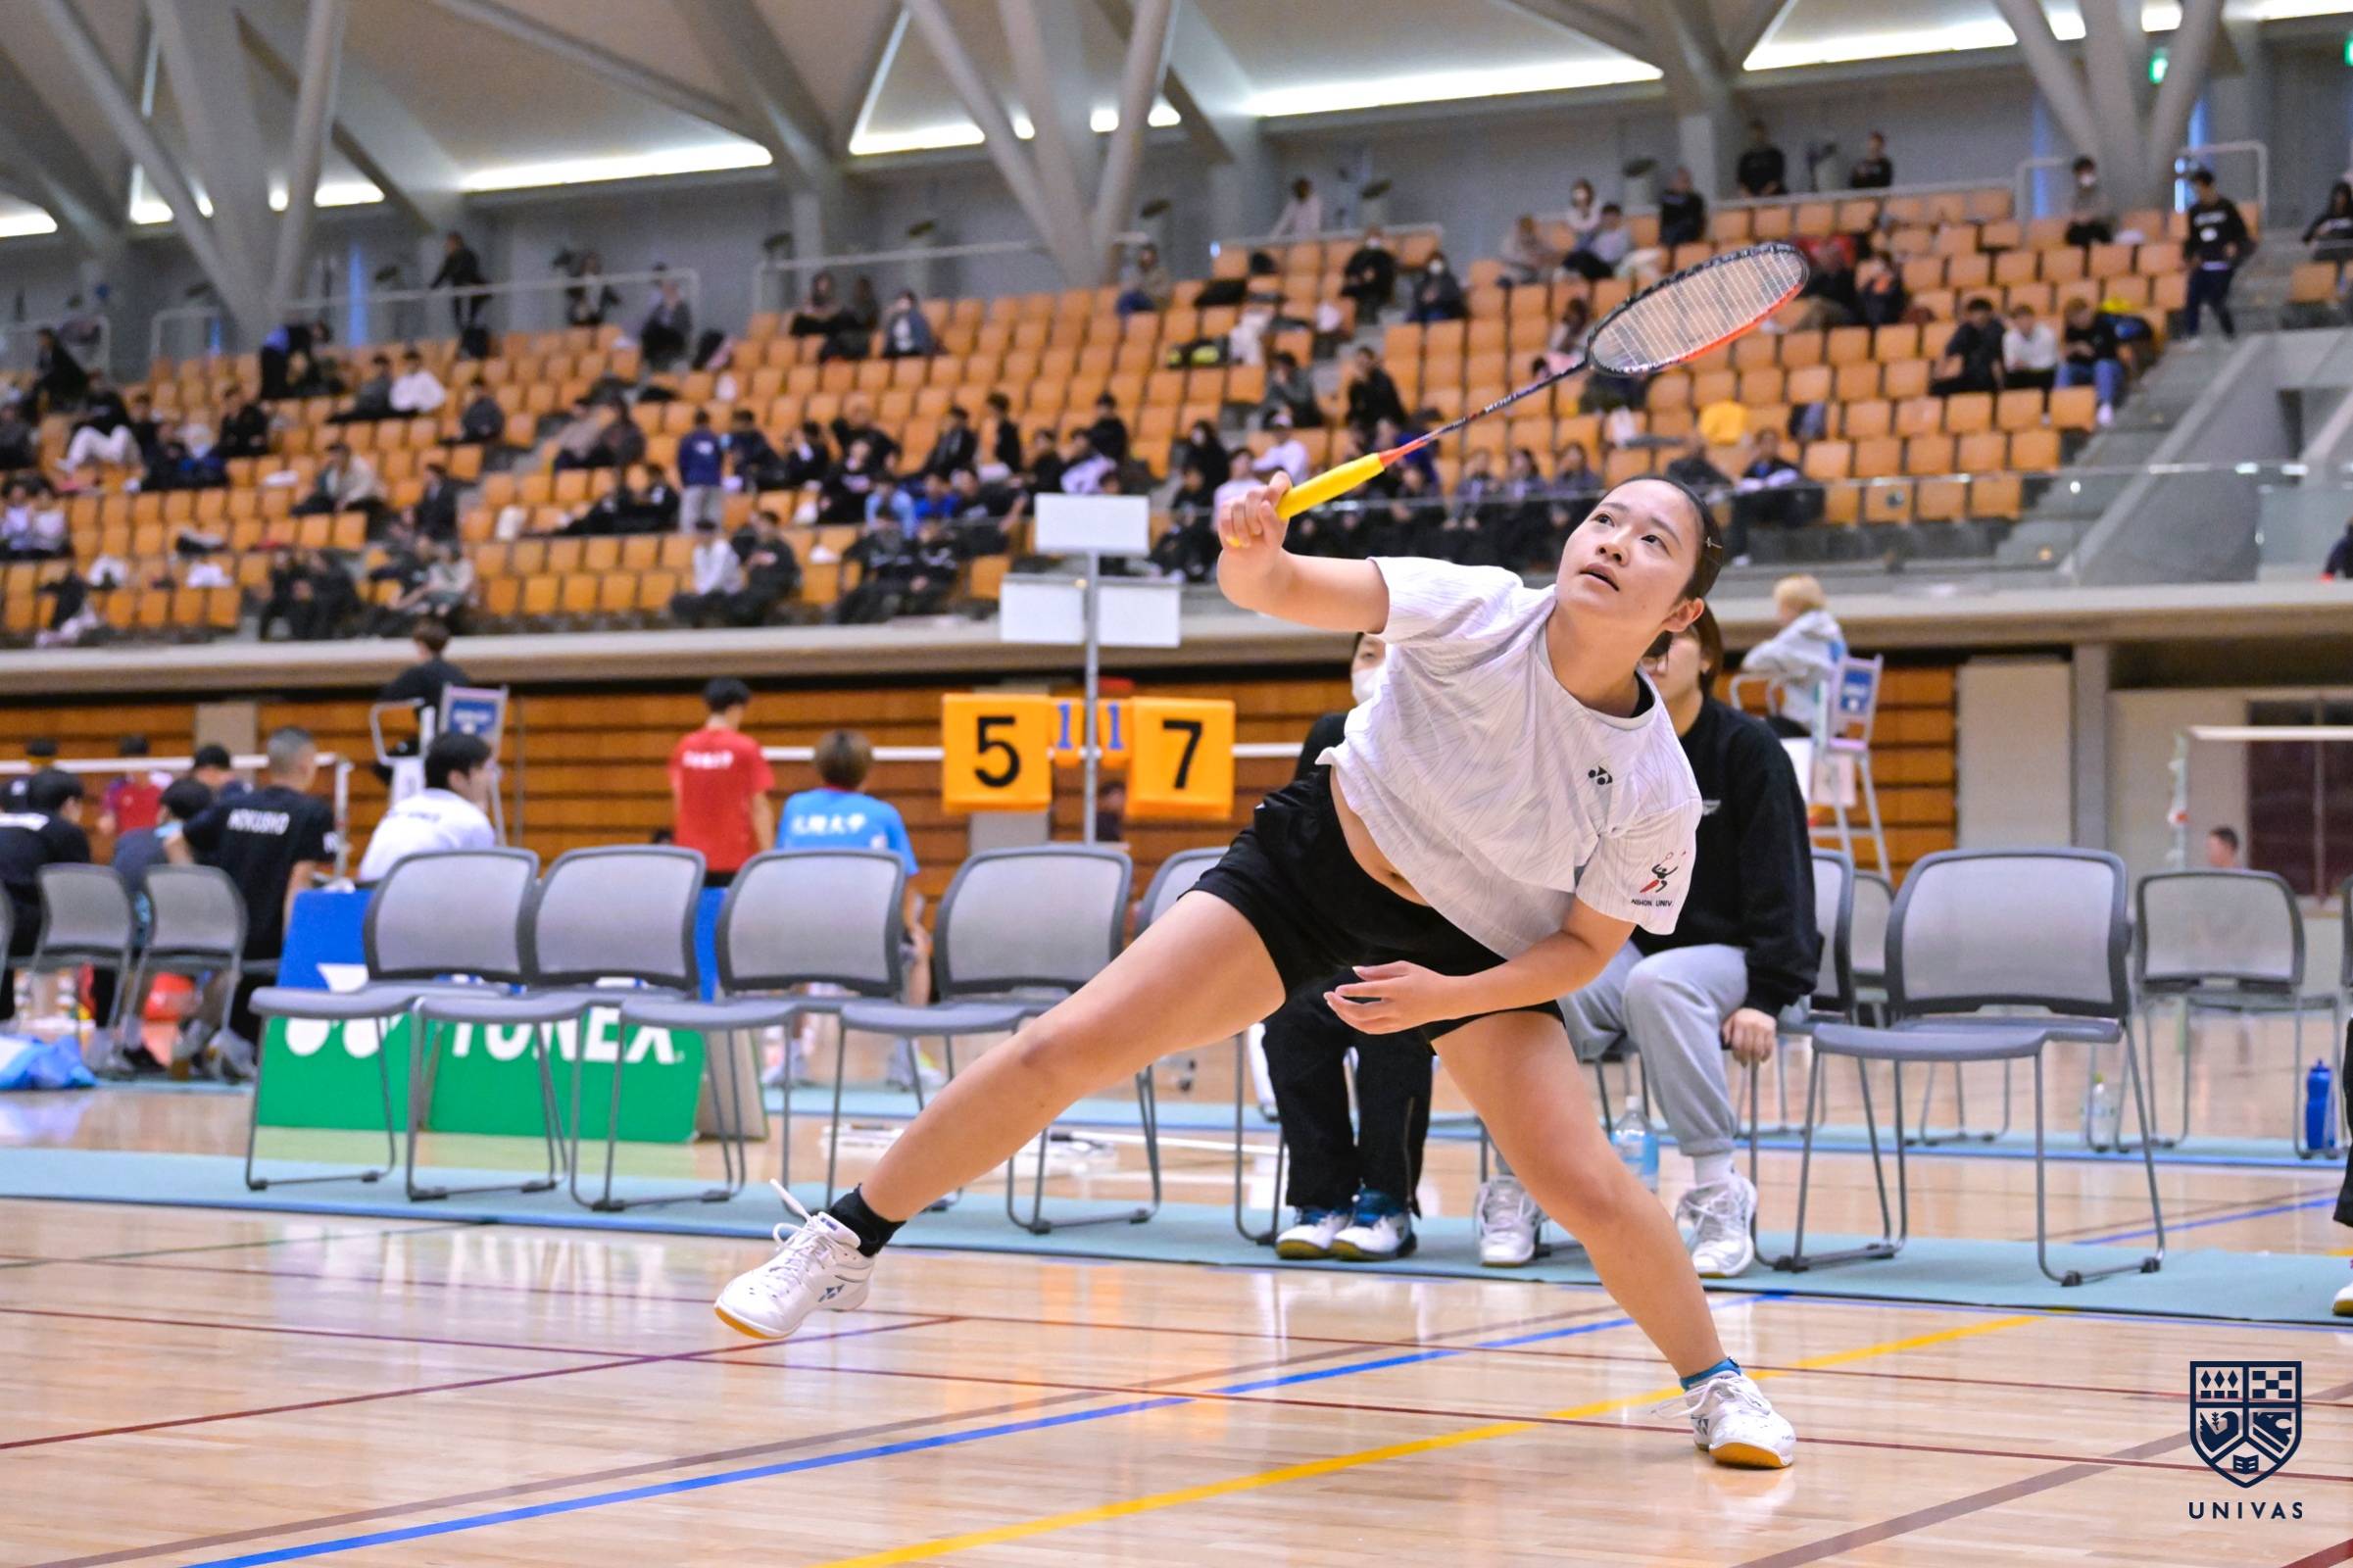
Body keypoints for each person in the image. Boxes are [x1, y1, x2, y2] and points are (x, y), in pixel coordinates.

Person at [712, 467, 1801, 1475]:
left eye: (1652, 541)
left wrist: (1448, 1000)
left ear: (1680, 614)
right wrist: (1250, 545)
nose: (1612, 541)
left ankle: (1716, 1384)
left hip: (1472, 944)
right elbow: (1275, 587)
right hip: (1313, 868)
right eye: (1605, 518)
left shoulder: (1654, 783)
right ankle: (842, 1239)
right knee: (1064, 1045)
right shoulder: (1471, 604)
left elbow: (1585, 949)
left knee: (1582, 1182)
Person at [1482, 610, 1815, 1277]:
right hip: (1624, 951)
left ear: (1708, 657)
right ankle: (1520, 1183)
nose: (1656, 654)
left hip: (1737, 960)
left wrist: (1768, 997)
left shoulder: (1748, 750)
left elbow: (1786, 885)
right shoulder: (1602, 750)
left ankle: (1718, 1191)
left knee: (1658, 985)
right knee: (1531, 984)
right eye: (1644, 641)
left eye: (1674, 640)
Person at [1263, 633, 1440, 1262]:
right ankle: (1322, 1200)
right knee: (1291, 1017)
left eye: (1394, 651)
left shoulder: (1453, 740)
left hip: (1431, 945)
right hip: (1338, 939)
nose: (1378, 664)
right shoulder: (1330, 734)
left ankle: (1388, 1201)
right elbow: (1299, 841)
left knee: (1389, 1019)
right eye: (1366, 653)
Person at [170, 727, 338, 1077]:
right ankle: (232, 1045)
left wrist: (202, 896)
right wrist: (296, 948)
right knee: (257, 970)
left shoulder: (233, 805)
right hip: (267, 935)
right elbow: (299, 884)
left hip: (224, 930)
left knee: (230, 972)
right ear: (306, 764)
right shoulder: (312, 812)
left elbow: (174, 842)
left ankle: (196, 1041)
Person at [0, 769, 91, 1029]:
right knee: (114, 939)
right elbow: (80, 891)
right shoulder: (64, 831)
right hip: (28, 935)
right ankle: (109, 1035)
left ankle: (5, 1028)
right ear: (71, 804)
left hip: (5, 929)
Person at [353, 732, 498, 885]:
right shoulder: (471, 820)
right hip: (410, 898)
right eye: (486, 769)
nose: (490, 778)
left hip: (368, 897)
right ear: (457, 779)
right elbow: (484, 886)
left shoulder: (401, 807)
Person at [670, 678, 774, 889]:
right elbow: (759, 807)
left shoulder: (684, 747)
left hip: (691, 860)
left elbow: (679, 801)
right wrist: (768, 857)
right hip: (734, 858)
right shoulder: (745, 748)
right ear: (736, 709)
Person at [1741, 573, 1844, 738]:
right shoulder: (1832, 631)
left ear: (1793, 607)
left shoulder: (1800, 632)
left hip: (1806, 724)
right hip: (1835, 726)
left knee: (1752, 733)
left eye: (1780, 607)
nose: (1778, 614)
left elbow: (1753, 661)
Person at [2181, 169, 2252, 341]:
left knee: (2216, 299)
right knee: (2192, 294)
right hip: (2204, 263)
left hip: (2222, 264)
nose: (2198, 192)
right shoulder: (2195, 211)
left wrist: (2235, 246)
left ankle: (2229, 333)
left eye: (2200, 188)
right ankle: (2192, 334)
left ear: (2210, 187)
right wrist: (2190, 256)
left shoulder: (2226, 207)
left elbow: (2242, 234)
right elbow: (2192, 238)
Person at [1725, 428, 1813, 562]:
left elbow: (1796, 481)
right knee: (1740, 502)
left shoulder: (1785, 466)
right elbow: (1742, 484)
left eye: (1773, 443)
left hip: (1779, 508)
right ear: (1759, 446)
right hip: (1757, 507)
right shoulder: (1751, 469)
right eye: (1765, 443)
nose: (1770, 446)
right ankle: (1739, 554)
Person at [2057, 298, 2127, 427]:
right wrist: (2075, 347)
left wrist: (2092, 351)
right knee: (2064, 369)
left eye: (2079, 315)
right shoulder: (2071, 330)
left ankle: (2104, 405)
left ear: (2087, 312)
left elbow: (2111, 353)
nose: (2077, 320)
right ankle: (2060, 405)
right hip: (2084, 370)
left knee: (2102, 365)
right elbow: (2068, 358)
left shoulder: (2103, 326)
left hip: (2109, 368)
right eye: (2073, 318)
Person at [1931, 297, 2005, 396]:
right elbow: (1948, 352)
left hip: (1990, 377)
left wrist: (2001, 385)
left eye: (1979, 312)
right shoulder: (1965, 330)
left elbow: (1995, 360)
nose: (1976, 317)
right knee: (1938, 388)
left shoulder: (1996, 329)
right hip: (1969, 376)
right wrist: (1936, 377)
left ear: (1988, 313)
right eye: (1973, 313)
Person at [98, 735, 168, 839]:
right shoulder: (116, 787)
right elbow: (108, 819)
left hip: (156, 842)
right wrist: (106, 821)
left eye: (134, 759)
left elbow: (171, 820)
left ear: (145, 758)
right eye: (126, 760)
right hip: (127, 843)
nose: (129, 765)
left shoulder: (164, 783)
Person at [677, 408, 727, 531]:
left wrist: (685, 480)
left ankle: (690, 541)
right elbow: (720, 460)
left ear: (694, 421)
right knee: (714, 518)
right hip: (713, 481)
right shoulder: (715, 439)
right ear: (708, 421)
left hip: (694, 481)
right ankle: (716, 540)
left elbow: (682, 463)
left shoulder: (688, 439)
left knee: (690, 520)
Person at [430, 231, 489, 329]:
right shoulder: (451, 259)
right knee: (459, 318)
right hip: (457, 291)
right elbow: (443, 273)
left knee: (469, 317)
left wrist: (467, 284)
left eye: (449, 243)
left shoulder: (468, 255)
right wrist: (432, 287)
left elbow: (470, 271)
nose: (447, 246)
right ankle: (464, 333)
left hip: (469, 292)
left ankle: (472, 333)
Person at [1340, 228, 1397, 319]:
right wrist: (1359, 278)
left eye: (1376, 236)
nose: (1373, 240)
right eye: (1371, 236)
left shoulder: (1385, 257)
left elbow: (1387, 275)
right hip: (1356, 289)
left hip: (1377, 292)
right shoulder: (1358, 255)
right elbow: (1349, 271)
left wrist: (1373, 278)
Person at [2002, 303, 2059, 392]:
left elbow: (2050, 361)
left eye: (2027, 318)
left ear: (2033, 319)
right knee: (2011, 378)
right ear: (2014, 322)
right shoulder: (2009, 337)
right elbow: (2009, 363)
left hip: (2044, 373)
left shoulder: (2047, 334)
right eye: (2020, 319)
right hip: (2022, 374)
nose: (2024, 323)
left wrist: (2028, 364)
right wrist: (2017, 364)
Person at [641, 278, 695, 371]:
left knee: (654, 330)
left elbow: (682, 328)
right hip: (659, 342)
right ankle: (648, 363)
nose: (666, 290)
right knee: (649, 329)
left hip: (675, 340)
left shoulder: (682, 307)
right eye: (664, 288)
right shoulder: (659, 308)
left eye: (669, 288)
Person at [1258, 352, 1322, 430]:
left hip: (1302, 408)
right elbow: (1270, 398)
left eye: (1283, 367)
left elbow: (1302, 398)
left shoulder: (1302, 376)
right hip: (1283, 408)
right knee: (1267, 417)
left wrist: (1285, 385)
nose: (1280, 370)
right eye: (1277, 367)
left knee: (1302, 414)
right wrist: (1281, 407)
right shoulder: (1273, 376)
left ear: (1291, 367)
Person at [2065, 156, 2112, 249]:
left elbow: (2106, 211)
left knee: (2101, 230)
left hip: (2097, 225)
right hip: (2079, 228)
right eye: (2084, 172)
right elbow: (2068, 211)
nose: (2088, 175)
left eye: (2090, 172)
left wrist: (2091, 215)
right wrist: (2079, 217)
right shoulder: (2072, 194)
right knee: (2075, 233)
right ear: (2077, 174)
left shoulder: (2100, 192)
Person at [564, 250, 621, 327]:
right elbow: (571, 292)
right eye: (589, 262)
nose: (591, 265)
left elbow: (608, 294)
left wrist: (616, 300)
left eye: (594, 263)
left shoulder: (600, 280)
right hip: (581, 317)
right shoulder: (579, 279)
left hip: (596, 317)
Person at [1407, 252, 1466, 324]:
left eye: (1438, 263)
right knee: (1411, 317)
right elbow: (1417, 297)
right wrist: (1424, 299)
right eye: (1432, 263)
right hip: (1425, 309)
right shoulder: (1425, 281)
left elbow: (1453, 295)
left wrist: (1436, 298)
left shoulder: (1449, 280)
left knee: (1434, 316)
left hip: (1443, 310)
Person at [1500, 215, 1561, 286]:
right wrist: (1528, 261)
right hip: (1517, 275)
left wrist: (1548, 257)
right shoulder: (1510, 243)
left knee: (1549, 274)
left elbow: (1551, 251)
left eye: (1530, 228)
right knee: (1505, 281)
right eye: (1525, 228)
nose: (1528, 232)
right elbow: (1509, 257)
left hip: (1535, 275)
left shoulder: (1536, 241)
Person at [1115, 244, 1173, 316]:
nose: (1145, 258)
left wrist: (1147, 292)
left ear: (1153, 256)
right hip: (1139, 301)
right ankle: (1128, 318)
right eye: (1142, 255)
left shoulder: (1161, 272)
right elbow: (1125, 289)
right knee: (1127, 298)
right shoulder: (1137, 273)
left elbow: (1165, 291)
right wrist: (1135, 285)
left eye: (1147, 255)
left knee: (1130, 299)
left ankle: (1127, 319)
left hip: (1154, 302)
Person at [878, 291, 937, 359]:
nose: (902, 304)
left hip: (914, 350)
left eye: (905, 302)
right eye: (900, 302)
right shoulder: (894, 319)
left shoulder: (916, 318)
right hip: (896, 351)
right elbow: (889, 338)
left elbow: (922, 338)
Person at [2306, 182, 2353, 264]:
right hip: (2329, 255)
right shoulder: (2327, 217)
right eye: (2337, 196)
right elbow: (2308, 236)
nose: (2340, 200)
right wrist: (2317, 234)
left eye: (2343, 196)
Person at [1657, 172, 1707, 249]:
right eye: (1680, 181)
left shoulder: (1695, 198)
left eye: (1685, 181)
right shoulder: (1667, 196)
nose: (1683, 184)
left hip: (1689, 235)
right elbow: (1670, 209)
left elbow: (1698, 218)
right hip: (1669, 235)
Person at [1736, 122, 1786, 198]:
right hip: (1752, 199)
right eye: (1754, 133)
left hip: (1774, 197)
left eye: (1759, 133)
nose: (1756, 136)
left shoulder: (1775, 155)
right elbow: (1741, 183)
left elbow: (1776, 180)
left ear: (1764, 134)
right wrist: (1750, 198)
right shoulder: (1746, 158)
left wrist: (1762, 196)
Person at [389, 351, 446, 416]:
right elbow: (394, 399)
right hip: (402, 412)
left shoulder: (426, 378)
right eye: (408, 362)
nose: (411, 365)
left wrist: (426, 407)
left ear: (419, 362)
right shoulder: (401, 380)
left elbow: (441, 396)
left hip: (421, 412)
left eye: (413, 362)